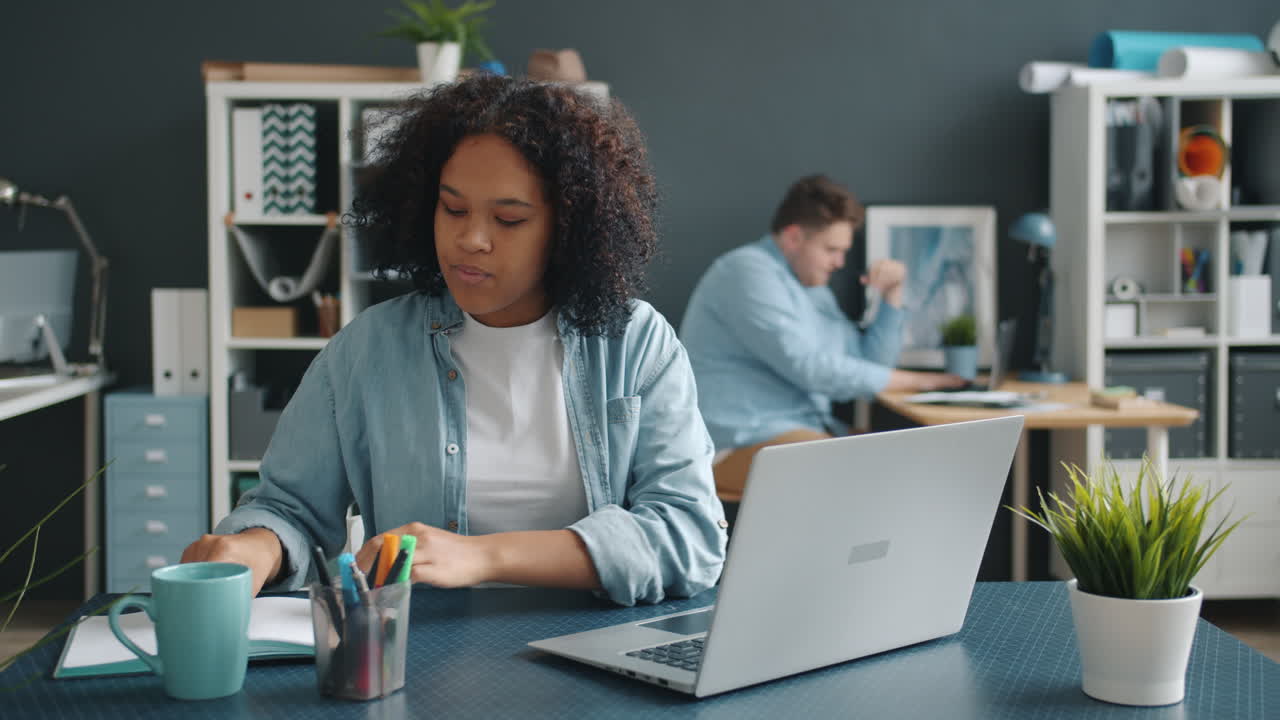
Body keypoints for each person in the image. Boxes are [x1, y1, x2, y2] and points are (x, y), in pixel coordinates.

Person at [182, 75, 728, 607]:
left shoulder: (635, 343)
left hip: (596, 658)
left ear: (568, 229)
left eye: (509, 219)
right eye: (454, 209)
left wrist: (483, 558)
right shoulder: (368, 351)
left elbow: (688, 536)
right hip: (422, 660)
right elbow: (292, 510)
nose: (470, 239)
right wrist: (253, 547)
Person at [679, 175, 965, 499]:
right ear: (793, 237)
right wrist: (920, 381)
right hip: (734, 443)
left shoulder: (814, 290)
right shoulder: (746, 272)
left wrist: (893, 295)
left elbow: (869, 364)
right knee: (858, 476)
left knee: (910, 465)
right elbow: (809, 367)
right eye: (831, 249)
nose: (839, 263)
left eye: (843, 251)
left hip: (805, 433)